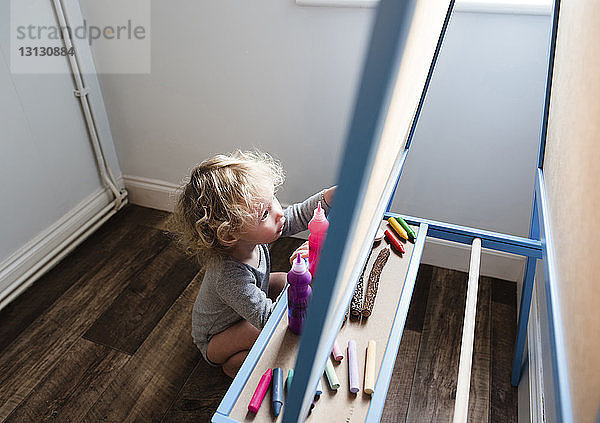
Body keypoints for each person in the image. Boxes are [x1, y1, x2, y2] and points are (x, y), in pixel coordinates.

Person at [167, 150, 335, 377]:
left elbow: (295, 216)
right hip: (217, 339)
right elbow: (267, 320)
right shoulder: (229, 276)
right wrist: (300, 273)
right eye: (265, 213)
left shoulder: (248, 237)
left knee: (286, 281)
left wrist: (327, 199)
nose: (278, 213)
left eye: (273, 198)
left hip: (245, 307)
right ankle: (234, 365)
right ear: (229, 234)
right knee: (256, 329)